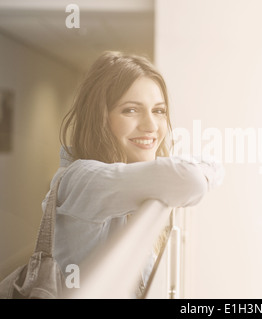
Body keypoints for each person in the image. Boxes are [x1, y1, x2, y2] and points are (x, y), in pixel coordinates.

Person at [42, 51, 224, 297]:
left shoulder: (129, 179)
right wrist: (184, 170)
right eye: (130, 110)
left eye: (159, 111)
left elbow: (210, 165)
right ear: (100, 119)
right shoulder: (83, 179)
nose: (150, 125)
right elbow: (189, 180)